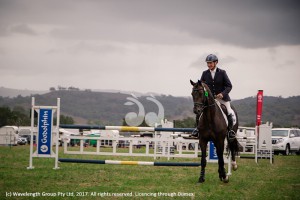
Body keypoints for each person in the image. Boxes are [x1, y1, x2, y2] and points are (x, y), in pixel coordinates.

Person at [191, 54, 236, 138]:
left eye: (210, 63)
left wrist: (222, 94)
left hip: (222, 99)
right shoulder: (205, 73)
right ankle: (197, 129)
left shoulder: (222, 73)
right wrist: (207, 95)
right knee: (200, 112)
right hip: (210, 99)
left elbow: (229, 86)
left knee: (229, 111)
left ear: (216, 63)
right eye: (208, 63)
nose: (209, 65)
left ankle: (230, 131)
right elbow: (202, 87)